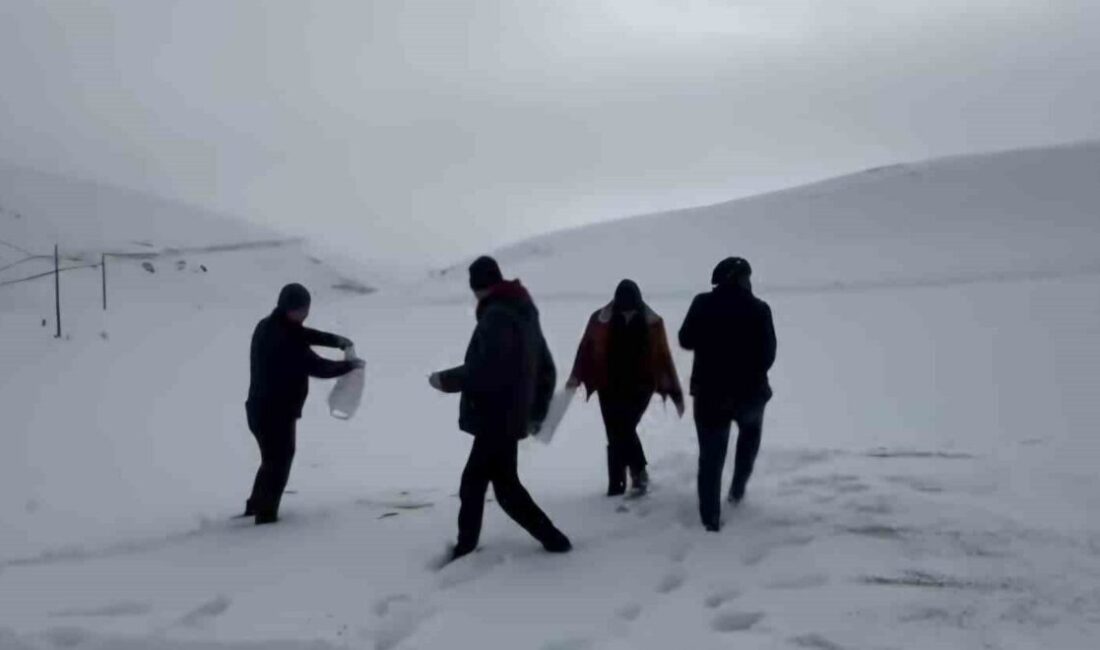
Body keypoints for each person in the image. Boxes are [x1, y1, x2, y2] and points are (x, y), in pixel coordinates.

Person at [430, 256, 572, 561]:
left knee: (484, 486)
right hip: (510, 412)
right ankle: (551, 539)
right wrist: (535, 407)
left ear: (479, 287)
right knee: (499, 485)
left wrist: (445, 380)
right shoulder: (522, 309)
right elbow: (545, 364)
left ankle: (467, 548)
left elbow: (486, 369)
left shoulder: (497, 315)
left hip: (496, 413)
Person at [244, 283, 363, 525]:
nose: (306, 313)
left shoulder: (270, 325)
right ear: (292, 309)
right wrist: (349, 365)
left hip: (260, 409)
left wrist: (337, 341)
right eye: (304, 310)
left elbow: (306, 334)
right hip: (274, 413)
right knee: (278, 462)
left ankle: (255, 506)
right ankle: (265, 519)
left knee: (271, 460)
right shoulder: (283, 339)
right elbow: (318, 366)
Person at [679, 258, 776, 532]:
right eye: (748, 276)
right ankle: (736, 492)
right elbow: (768, 354)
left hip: (710, 395)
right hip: (751, 394)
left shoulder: (702, 303)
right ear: (741, 278)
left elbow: (685, 340)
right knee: (748, 444)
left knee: (710, 458)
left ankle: (710, 519)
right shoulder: (760, 309)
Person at [566, 280, 684, 497]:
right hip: (608, 384)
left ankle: (638, 474)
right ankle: (617, 485)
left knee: (624, 428)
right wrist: (576, 375)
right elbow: (586, 348)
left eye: (631, 306)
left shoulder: (652, 322)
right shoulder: (600, 319)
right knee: (615, 432)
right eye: (624, 306)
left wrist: (674, 390)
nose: (627, 310)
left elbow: (662, 355)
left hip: (641, 385)